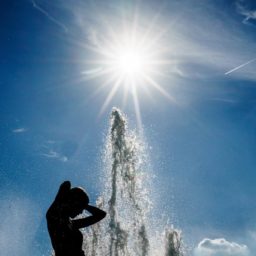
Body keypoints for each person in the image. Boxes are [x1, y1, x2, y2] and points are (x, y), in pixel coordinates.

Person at [46, 180, 106, 256]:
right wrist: (72, 200)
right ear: (74, 202)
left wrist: (84, 205)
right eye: (81, 208)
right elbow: (66, 184)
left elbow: (101, 214)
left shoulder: (73, 224)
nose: (81, 212)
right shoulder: (54, 216)